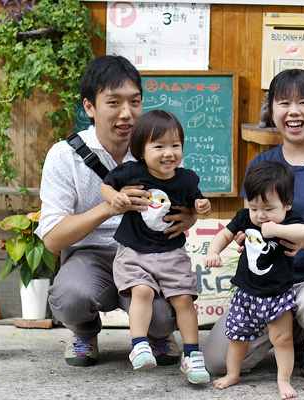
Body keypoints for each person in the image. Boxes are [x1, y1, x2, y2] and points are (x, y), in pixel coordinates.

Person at [36, 55, 198, 367]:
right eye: (113, 102)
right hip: (89, 255)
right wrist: (108, 208)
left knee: (166, 316)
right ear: (89, 107)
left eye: (135, 101)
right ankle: (84, 332)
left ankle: (158, 335)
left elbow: (186, 200)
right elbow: (53, 240)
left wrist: (190, 214)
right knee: (70, 298)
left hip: (149, 256)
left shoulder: (162, 149)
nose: (127, 113)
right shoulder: (64, 156)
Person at [204, 69, 304, 379]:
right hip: (267, 288)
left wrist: (302, 240)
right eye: (283, 102)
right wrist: (239, 240)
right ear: (272, 111)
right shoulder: (261, 165)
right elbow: (247, 221)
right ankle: (287, 332)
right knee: (217, 362)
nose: (294, 111)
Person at [100, 109, 211, 383]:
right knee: (141, 292)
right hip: (134, 252)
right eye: (159, 146)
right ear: (141, 150)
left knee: (184, 299)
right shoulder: (131, 172)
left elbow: (196, 202)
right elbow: (106, 185)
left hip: (172, 253)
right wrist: (113, 197)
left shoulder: (186, 179)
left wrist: (201, 206)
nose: (168, 153)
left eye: (175, 145)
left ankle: (192, 355)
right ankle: (139, 345)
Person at [205, 160, 304, 399]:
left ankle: (283, 380)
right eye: (254, 208)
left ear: (287, 204)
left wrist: (278, 230)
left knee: (282, 339)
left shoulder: (290, 221)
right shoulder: (244, 218)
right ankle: (233, 374)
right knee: (237, 338)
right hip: (246, 294)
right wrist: (213, 252)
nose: (260, 215)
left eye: (268, 209)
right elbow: (224, 234)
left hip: (277, 295)